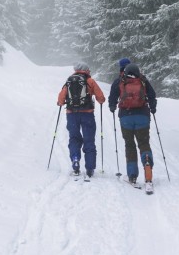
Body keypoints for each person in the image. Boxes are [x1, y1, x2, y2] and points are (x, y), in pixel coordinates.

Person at [108, 58, 157, 188]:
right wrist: (153, 108)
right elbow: (152, 95)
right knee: (144, 143)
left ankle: (132, 176)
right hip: (142, 116)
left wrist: (112, 107)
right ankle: (147, 165)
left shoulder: (119, 81)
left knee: (130, 145)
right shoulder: (142, 80)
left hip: (126, 118)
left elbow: (112, 98)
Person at [56, 62, 106, 178]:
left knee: (74, 138)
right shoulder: (90, 81)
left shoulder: (69, 81)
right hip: (87, 114)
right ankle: (89, 168)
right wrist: (100, 100)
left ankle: (75, 159)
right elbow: (101, 98)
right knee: (89, 140)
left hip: (71, 114)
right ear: (86, 70)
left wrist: (60, 103)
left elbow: (60, 99)